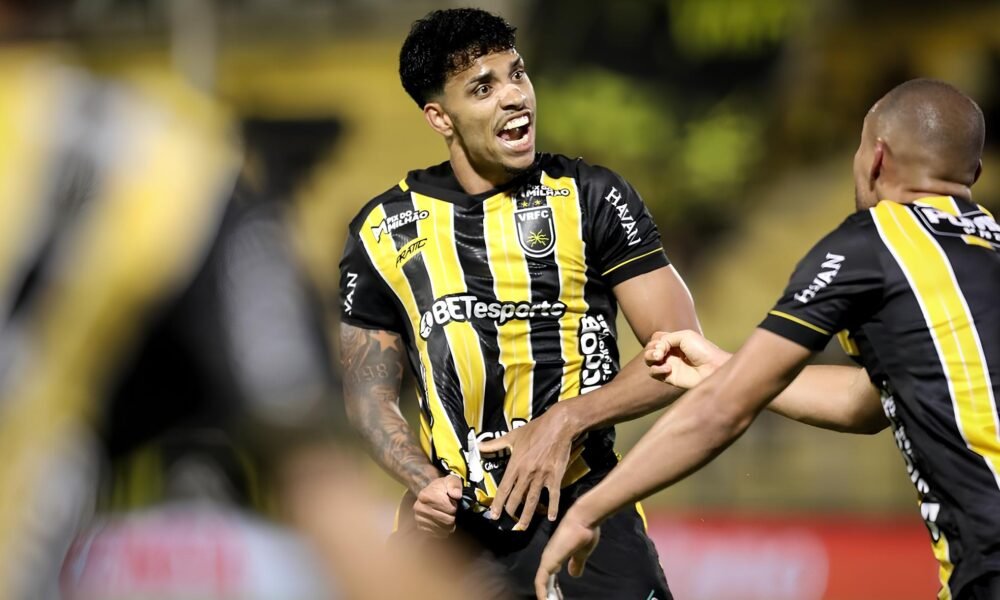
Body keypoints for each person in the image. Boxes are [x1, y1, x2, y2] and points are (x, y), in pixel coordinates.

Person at [535, 78, 1000, 600]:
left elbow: (722, 412)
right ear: (973, 174)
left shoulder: (870, 246)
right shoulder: (985, 251)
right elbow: (868, 400)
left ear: (875, 159)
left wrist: (589, 510)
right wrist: (727, 368)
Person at [338, 7, 701, 598]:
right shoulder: (384, 230)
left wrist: (566, 421)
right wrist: (420, 480)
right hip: (454, 529)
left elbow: (685, 354)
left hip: (587, 509)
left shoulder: (592, 197)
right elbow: (366, 395)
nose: (514, 96)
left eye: (518, 73)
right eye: (483, 87)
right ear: (439, 117)